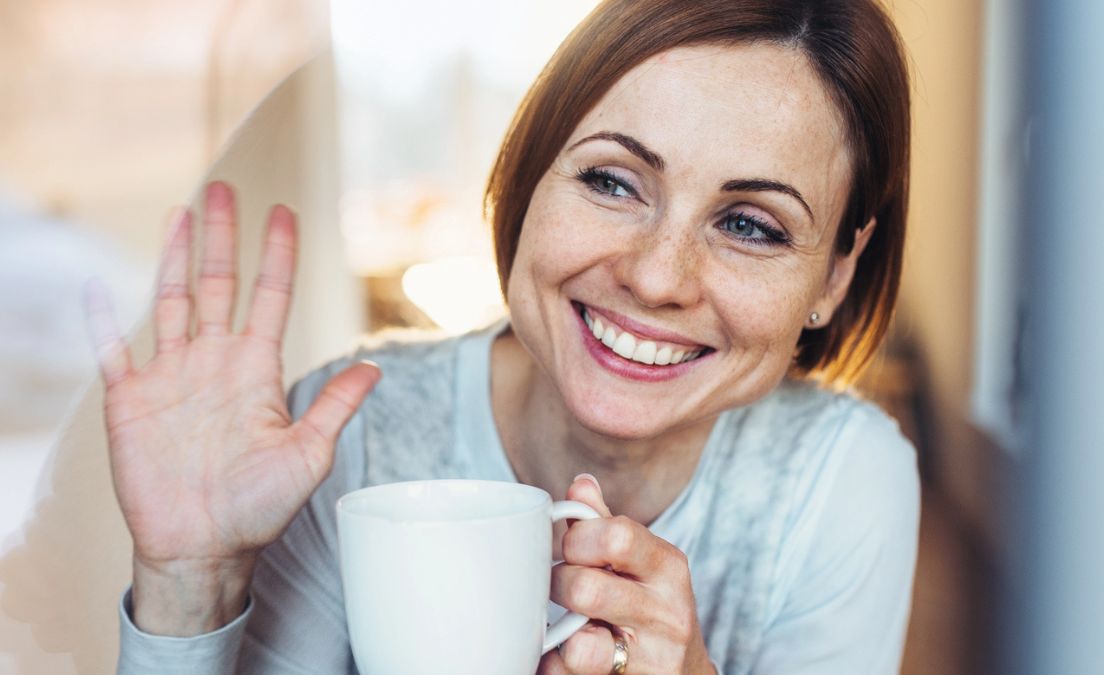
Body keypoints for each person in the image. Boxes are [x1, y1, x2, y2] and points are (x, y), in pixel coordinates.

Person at [91, 1, 918, 673]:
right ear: (530, 177)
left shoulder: (840, 484)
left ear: (835, 276)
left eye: (750, 224)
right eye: (611, 180)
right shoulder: (349, 436)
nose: (658, 277)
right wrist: (189, 583)